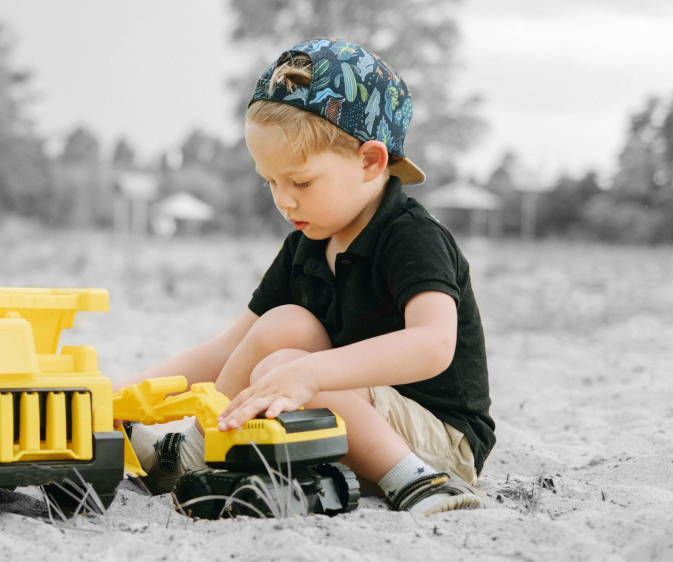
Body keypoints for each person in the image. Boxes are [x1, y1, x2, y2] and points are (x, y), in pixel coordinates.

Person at [120, 38, 494, 516]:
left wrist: (309, 372)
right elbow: (225, 351)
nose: (283, 200)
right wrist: (126, 395)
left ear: (370, 162)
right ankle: (191, 452)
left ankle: (418, 483)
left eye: (300, 182)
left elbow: (433, 345)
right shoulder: (308, 242)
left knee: (288, 368)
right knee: (282, 327)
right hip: (347, 411)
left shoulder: (411, 236)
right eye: (270, 181)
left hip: (439, 439)